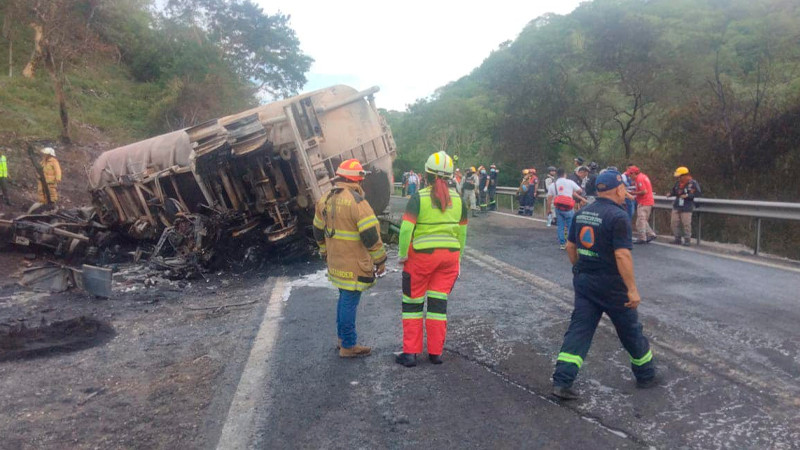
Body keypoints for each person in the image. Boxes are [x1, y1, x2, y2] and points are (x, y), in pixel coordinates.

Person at [552, 169, 656, 400]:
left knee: (579, 330)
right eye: (623, 189)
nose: (624, 193)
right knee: (630, 330)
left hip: (585, 282)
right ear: (618, 188)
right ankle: (646, 374)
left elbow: (570, 247)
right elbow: (622, 256)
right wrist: (632, 289)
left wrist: (581, 268)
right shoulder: (618, 217)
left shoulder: (583, 212)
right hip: (612, 286)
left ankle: (562, 381)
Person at [396, 151, 468, 367]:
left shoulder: (419, 198)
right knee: (438, 306)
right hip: (449, 259)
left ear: (426, 175)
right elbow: (462, 234)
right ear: (449, 176)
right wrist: (458, 260)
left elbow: (406, 230)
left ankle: (410, 354)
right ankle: (436, 353)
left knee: (413, 304)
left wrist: (402, 255)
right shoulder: (459, 200)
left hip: (421, 259)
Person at [312, 159, 387, 358]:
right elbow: (370, 235)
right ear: (357, 180)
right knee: (349, 300)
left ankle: (342, 339)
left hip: (335, 261)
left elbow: (317, 230)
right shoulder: (357, 201)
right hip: (354, 263)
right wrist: (380, 260)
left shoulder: (325, 198)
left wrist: (323, 251)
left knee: (344, 298)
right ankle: (348, 345)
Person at [546, 169, 586, 250]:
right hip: (569, 207)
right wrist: (571, 193)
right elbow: (579, 190)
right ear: (565, 174)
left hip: (558, 207)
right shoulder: (570, 182)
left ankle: (562, 244)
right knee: (570, 226)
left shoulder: (553, 185)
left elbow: (549, 199)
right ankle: (570, 243)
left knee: (560, 226)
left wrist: (548, 209)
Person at [667, 166, 701, 246]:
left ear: (685, 175)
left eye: (680, 176)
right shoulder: (678, 183)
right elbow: (674, 191)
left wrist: (688, 196)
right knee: (674, 222)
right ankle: (677, 239)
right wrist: (670, 194)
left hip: (687, 206)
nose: (678, 178)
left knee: (686, 224)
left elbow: (698, 194)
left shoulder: (693, 183)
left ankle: (687, 240)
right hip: (677, 205)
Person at [627, 166, 657, 244]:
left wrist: (633, 193)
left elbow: (644, 191)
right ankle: (651, 234)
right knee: (642, 220)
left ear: (633, 173)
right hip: (646, 202)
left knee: (640, 221)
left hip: (644, 202)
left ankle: (642, 238)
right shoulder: (643, 177)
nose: (629, 177)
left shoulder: (639, 179)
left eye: (630, 175)